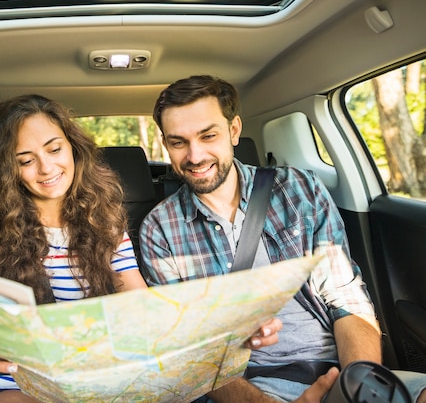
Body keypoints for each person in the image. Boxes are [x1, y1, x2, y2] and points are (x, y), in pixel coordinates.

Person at [0, 93, 281, 403]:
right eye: (25, 159)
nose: (46, 169)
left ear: (72, 147)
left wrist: (218, 324)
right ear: (5, 167)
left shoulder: (107, 216)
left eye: (54, 149)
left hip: (37, 380)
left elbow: (134, 295)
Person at [139, 75, 426, 403]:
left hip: (341, 367)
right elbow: (190, 353)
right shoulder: (159, 229)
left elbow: (346, 298)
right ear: (166, 145)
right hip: (252, 385)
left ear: (234, 131)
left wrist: (357, 388)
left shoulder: (300, 190)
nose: (195, 155)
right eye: (178, 142)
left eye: (208, 136)